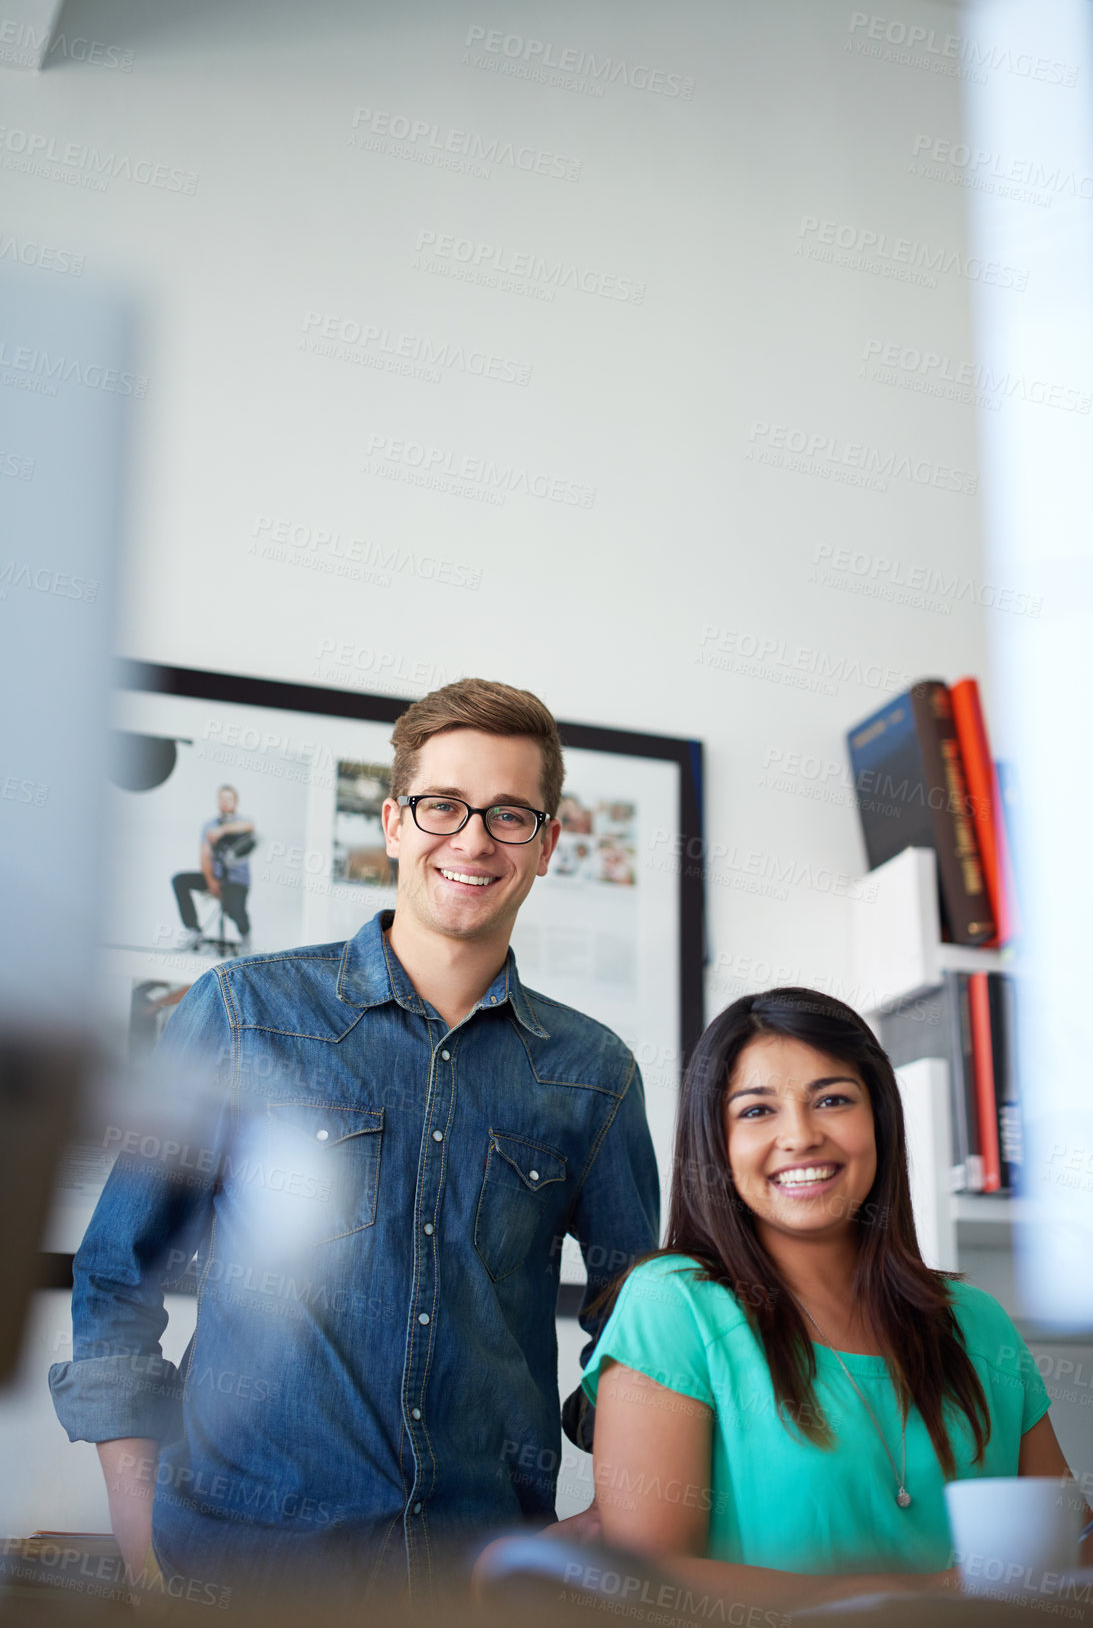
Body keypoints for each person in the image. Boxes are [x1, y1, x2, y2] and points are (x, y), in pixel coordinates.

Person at [50, 679, 660, 1603]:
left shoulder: (594, 1071)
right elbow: (115, 1275)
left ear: (546, 846)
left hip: (481, 1580)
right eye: (442, 805)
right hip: (238, 1570)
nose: (472, 838)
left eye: (508, 814)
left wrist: (621, 1506)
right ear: (392, 823)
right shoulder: (243, 1013)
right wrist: (144, 1550)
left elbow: (637, 1326)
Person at [574, 988, 1093, 1615]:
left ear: (879, 1120)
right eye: (757, 1111)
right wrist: (923, 1598)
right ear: (717, 1146)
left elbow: (1083, 1558)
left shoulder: (977, 1322)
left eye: (832, 1100)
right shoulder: (673, 1306)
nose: (801, 1136)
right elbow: (649, 1587)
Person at [171, 784, 255, 952]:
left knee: (234, 909)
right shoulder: (209, 825)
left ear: (236, 802)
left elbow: (249, 827)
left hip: (236, 881)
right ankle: (194, 931)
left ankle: (246, 936)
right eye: (222, 798)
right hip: (215, 876)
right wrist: (211, 882)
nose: (225, 802)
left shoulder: (243, 823)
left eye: (229, 799)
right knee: (180, 880)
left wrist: (222, 830)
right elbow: (204, 855)